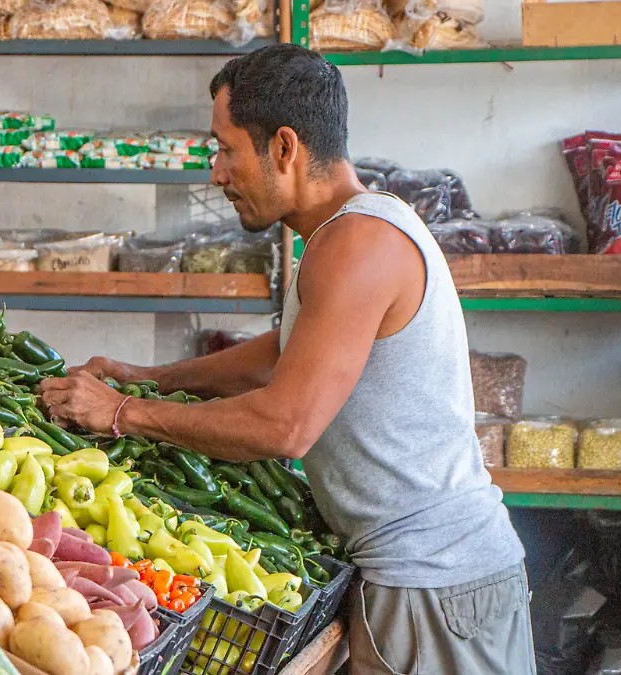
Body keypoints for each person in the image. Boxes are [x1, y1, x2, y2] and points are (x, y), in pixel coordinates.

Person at [40, 44, 534, 675]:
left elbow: (285, 426)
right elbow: (280, 357)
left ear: (283, 148)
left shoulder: (359, 245)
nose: (217, 174)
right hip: (422, 580)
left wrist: (123, 413)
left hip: (434, 585)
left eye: (225, 149)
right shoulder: (343, 235)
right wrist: (149, 378)